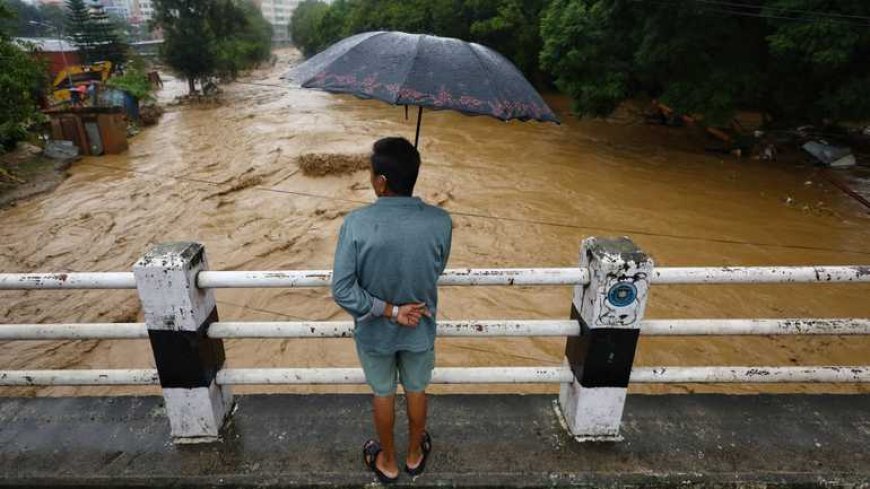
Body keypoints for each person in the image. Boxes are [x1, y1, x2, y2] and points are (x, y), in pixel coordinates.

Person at [331, 137, 452, 483]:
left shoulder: (355, 223)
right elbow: (437, 267)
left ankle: (388, 461)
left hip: (375, 330)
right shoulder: (441, 221)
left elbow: (341, 289)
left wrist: (388, 310)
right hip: (420, 326)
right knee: (417, 389)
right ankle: (415, 455)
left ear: (382, 182)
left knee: (383, 393)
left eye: (372, 174)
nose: (371, 179)